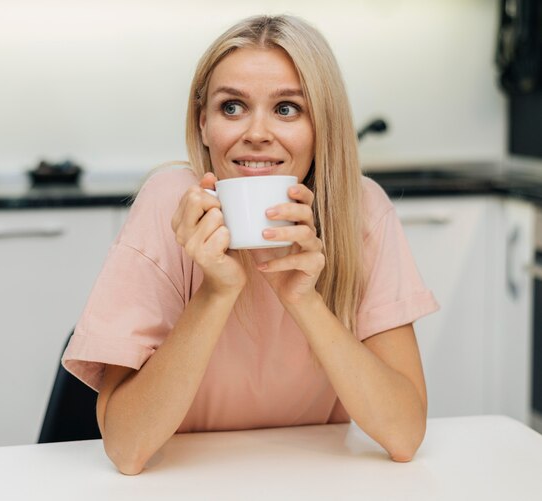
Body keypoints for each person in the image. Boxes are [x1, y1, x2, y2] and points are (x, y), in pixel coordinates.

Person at [62, 14, 439, 475]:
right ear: (203, 124)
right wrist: (216, 292)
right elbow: (126, 447)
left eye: (286, 109)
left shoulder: (361, 210)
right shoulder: (167, 205)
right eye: (232, 107)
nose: (257, 133)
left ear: (322, 126)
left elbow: (404, 436)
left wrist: (303, 298)